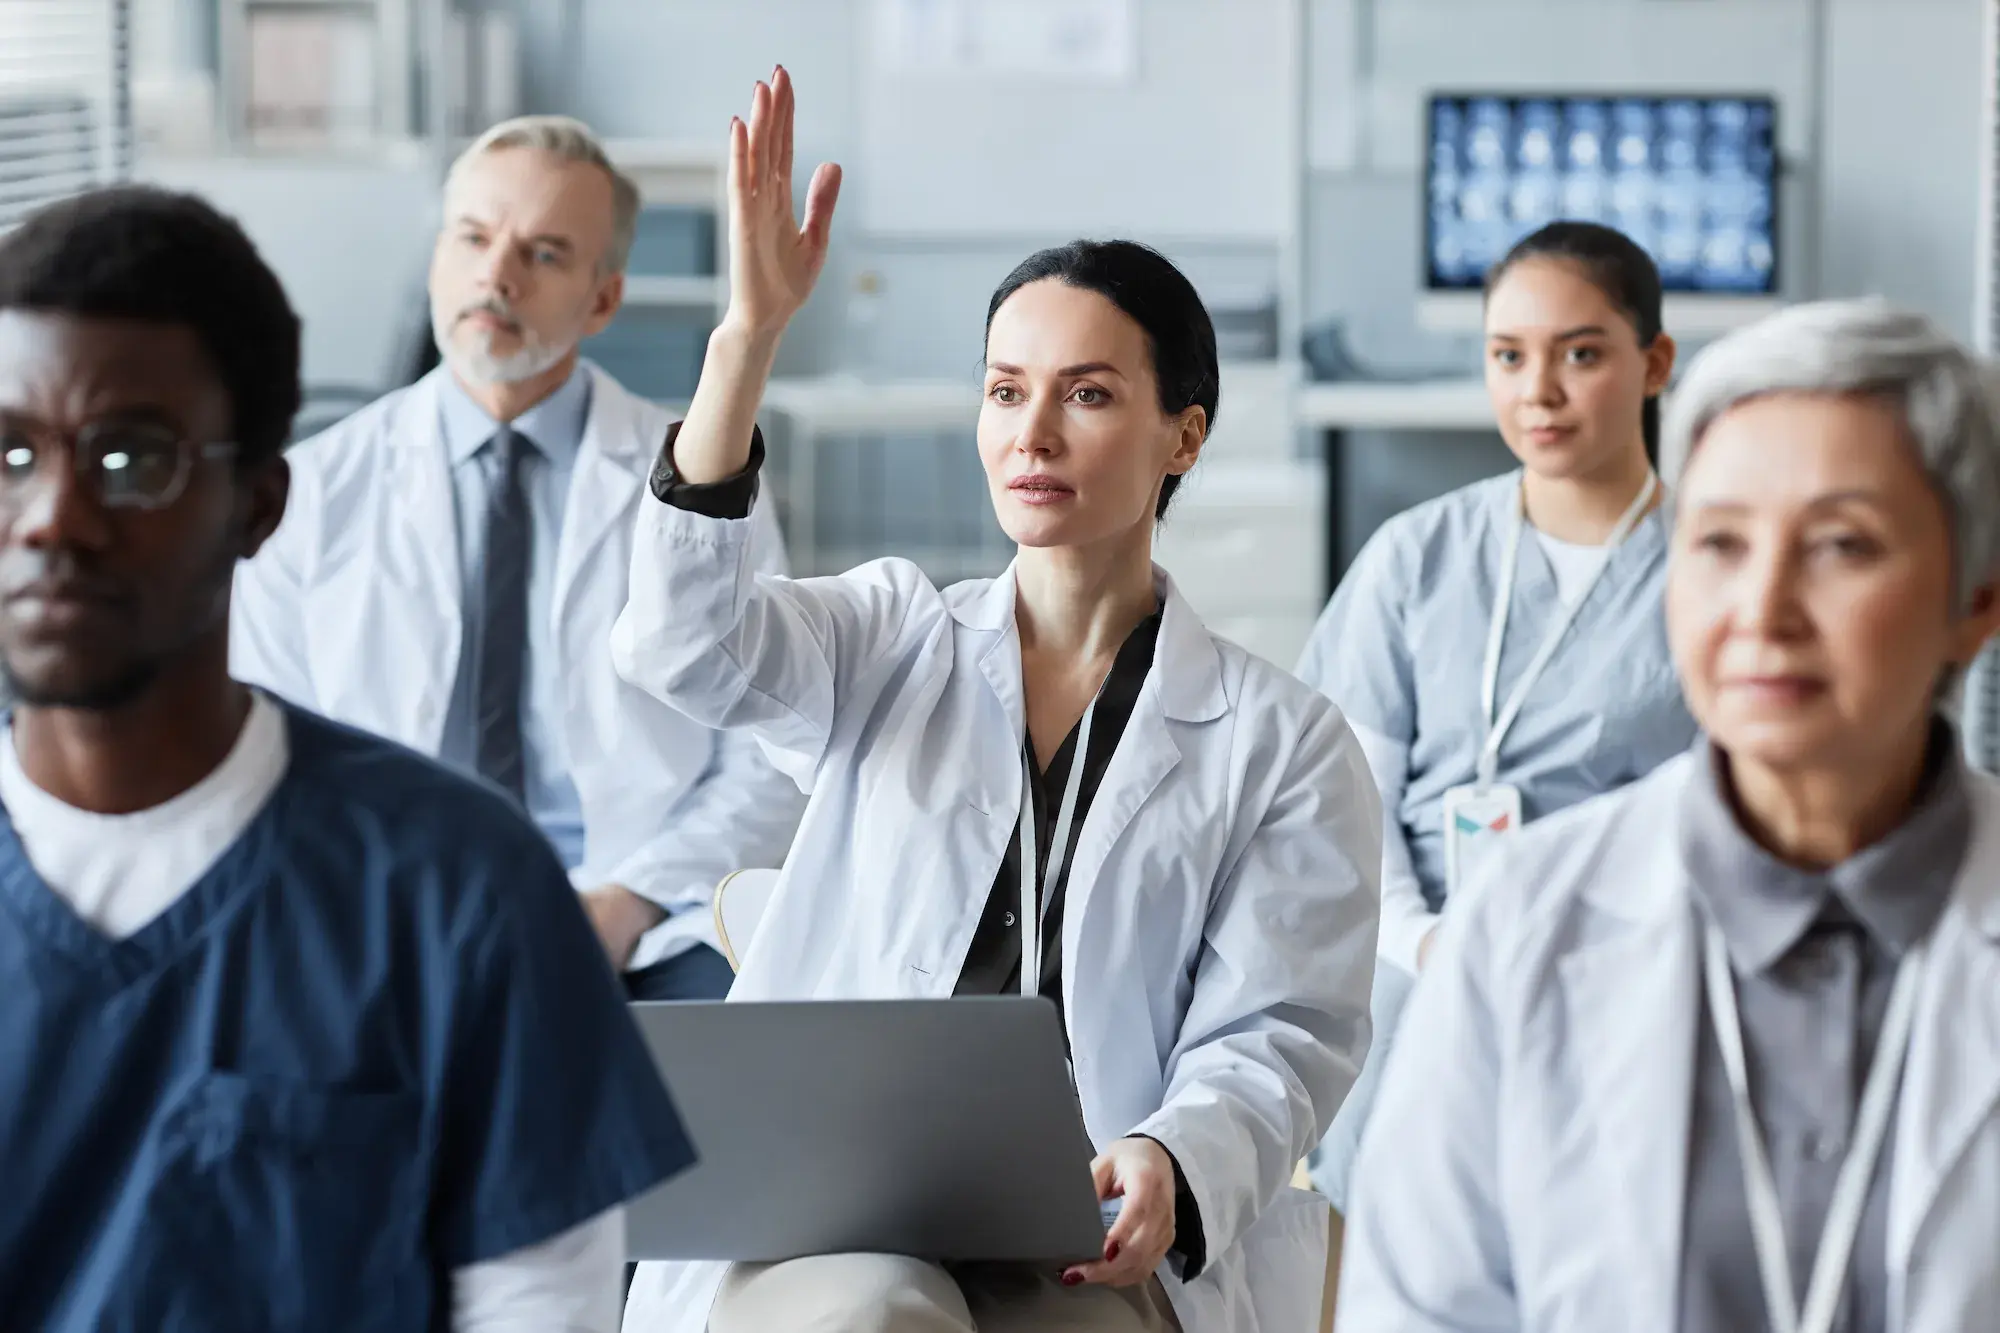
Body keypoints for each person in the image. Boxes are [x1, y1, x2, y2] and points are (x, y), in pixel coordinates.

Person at [616, 70, 1379, 1333]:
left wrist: (1174, 1162)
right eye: (1003, 387)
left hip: (1087, 1221)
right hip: (834, 1205)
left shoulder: (1282, 744)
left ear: (1180, 437)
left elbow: (1279, 1032)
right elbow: (684, 645)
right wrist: (746, 339)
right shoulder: (890, 633)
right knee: (873, 1318)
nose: (1032, 432)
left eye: (1086, 394)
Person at [0, 186, 697, 1329]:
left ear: (258, 505)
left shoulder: (461, 894)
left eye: (134, 458)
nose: (52, 516)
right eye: (11, 450)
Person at [1340, 299, 2000, 1332]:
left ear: (1976, 598)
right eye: (1720, 543)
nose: (1762, 608)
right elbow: (1421, 1309)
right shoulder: (1520, 923)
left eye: (1839, 544)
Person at [231, 114, 802, 999]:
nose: (495, 274)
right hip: (388, 912)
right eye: (472, 238)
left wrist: (625, 902)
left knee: (725, 1073)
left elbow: (770, 747)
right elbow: (261, 747)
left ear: (602, 300)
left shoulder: (702, 480)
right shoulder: (310, 494)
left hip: (640, 914)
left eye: (542, 253)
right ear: (436, 258)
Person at [1295, 221, 1699, 1206]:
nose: (1538, 390)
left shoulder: (1716, 564)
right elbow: (1344, 802)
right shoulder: (1415, 557)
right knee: (1400, 1075)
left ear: (1653, 364)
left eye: (1580, 354)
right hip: (1418, 941)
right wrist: (1429, 944)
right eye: (1507, 356)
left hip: (1632, 945)